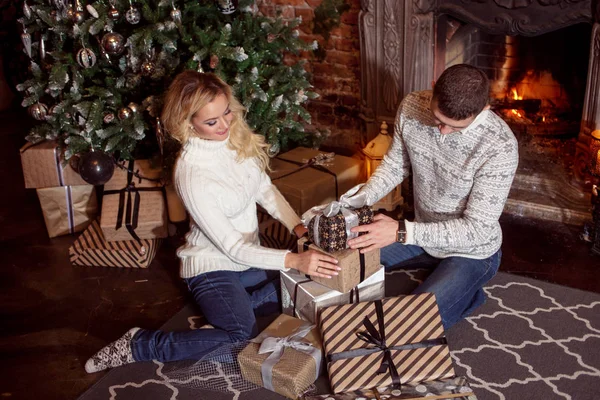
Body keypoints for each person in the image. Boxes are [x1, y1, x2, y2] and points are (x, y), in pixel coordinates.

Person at [84, 71, 339, 373]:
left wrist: (298, 227)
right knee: (239, 336)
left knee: (298, 287)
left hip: (247, 260)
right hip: (212, 265)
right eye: (212, 121)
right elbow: (232, 247)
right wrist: (295, 259)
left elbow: (264, 189)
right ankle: (140, 344)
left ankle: (230, 312)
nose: (225, 125)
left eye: (226, 112)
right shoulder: (192, 174)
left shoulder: (233, 138)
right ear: (187, 122)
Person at [345, 64, 519, 329]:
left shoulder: (500, 146)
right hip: (421, 233)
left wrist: (401, 232)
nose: (443, 132)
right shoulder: (412, 105)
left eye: (455, 127)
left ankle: (464, 292)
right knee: (340, 259)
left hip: (471, 252)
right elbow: (396, 165)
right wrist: (362, 197)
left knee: (402, 325)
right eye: (438, 120)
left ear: (484, 109)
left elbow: (477, 230)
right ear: (434, 84)